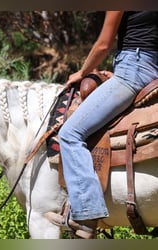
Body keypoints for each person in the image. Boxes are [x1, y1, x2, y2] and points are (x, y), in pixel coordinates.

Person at [57, 11, 158, 238]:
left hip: (133, 70)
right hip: (151, 70)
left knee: (70, 133)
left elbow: (104, 44)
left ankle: (86, 216)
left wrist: (81, 72)